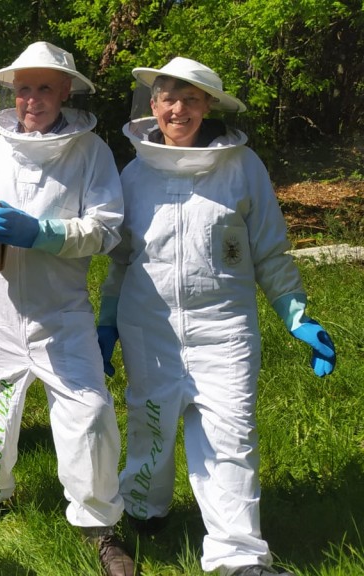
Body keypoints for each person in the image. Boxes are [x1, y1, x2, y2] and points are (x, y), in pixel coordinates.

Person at [97, 57, 337, 576]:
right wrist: (107, 322)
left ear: (208, 106)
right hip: (149, 326)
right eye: (168, 98)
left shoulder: (242, 167)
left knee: (232, 435)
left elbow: (270, 249)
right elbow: (121, 260)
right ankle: (145, 508)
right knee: (150, 424)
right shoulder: (133, 174)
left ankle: (239, 557)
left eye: (191, 99)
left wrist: (296, 315)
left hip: (225, 328)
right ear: (153, 105)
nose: (178, 109)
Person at [0, 41, 134, 576]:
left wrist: (42, 233)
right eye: (24, 88)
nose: (31, 98)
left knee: (90, 411)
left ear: (65, 92)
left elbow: (106, 230)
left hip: (62, 311)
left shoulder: (90, 153)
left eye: (44, 88)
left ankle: (98, 525)